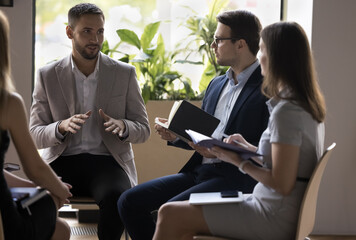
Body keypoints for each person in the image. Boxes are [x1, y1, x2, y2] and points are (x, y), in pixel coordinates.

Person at [153, 21, 327, 240]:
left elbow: (282, 184)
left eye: (262, 50)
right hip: (271, 205)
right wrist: (249, 148)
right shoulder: (305, 105)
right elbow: (288, 164)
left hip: (271, 213)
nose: (259, 56)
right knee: (173, 211)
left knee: (169, 213)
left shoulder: (287, 111)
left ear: (277, 57)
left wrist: (238, 160)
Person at [118, 10, 269, 240]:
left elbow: (268, 148)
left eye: (218, 40)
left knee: (168, 212)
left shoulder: (267, 88)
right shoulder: (216, 85)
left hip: (235, 177)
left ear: (240, 44)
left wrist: (224, 149)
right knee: (128, 201)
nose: (213, 45)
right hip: (200, 171)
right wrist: (176, 135)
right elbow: (202, 135)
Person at [29, 3, 150, 240]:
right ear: (69, 32)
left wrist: (124, 126)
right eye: (87, 31)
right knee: (37, 201)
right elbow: (34, 133)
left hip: (108, 162)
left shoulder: (124, 73)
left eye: (100, 31)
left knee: (118, 198)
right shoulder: (47, 75)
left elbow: (143, 129)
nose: (95, 38)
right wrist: (60, 127)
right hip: (61, 159)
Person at [0, 10, 72, 240]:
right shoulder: (7, 102)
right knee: (52, 209)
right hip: (3, 219)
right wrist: (58, 191)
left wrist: (33, 187)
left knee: (60, 228)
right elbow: (35, 167)